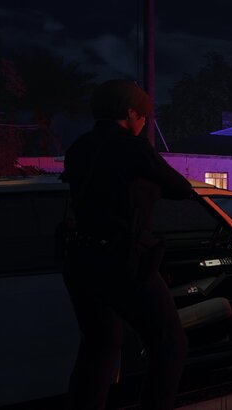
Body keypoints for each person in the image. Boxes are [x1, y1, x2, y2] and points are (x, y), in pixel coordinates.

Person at [61, 79, 196, 409]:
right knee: (170, 345)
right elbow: (181, 189)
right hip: (122, 262)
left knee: (99, 346)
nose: (145, 122)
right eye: (144, 116)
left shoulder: (79, 147)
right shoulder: (133, 148)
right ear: (131, 113)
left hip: (80, 261)